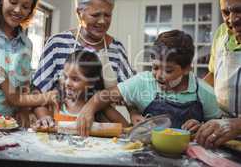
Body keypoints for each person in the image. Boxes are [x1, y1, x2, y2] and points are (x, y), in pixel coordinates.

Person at [76, 30, 221, 136]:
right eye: (155, 67)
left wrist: (203, 127)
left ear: (187, 69)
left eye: (168, 71)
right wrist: (89, 109)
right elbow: (105, 95)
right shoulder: (144, 81)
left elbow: (217, 127)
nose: (159, 76)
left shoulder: (204, 92)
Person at [32, 0, 135, 94]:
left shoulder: (117, 48)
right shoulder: (57, 43)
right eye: (95, 15)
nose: (102, 21)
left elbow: (129, 93)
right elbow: (38, 91)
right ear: (79, 13)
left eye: (107, 15)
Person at [196, 0, 241, 148]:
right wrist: (191, 98)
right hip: (224, 134)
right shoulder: (222, 33)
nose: (232, 20)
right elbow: (214, 76)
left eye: (239, 10)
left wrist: (237, 125)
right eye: (225, 12)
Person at [33, 50, 129, 129]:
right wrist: (44, 116)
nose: (67, 83)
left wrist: (103, 127)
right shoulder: (58, 99)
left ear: (91, 83)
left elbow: (125, 127)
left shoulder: (99, 106)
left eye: (75, 79)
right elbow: (31, 101)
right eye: (65, 77)